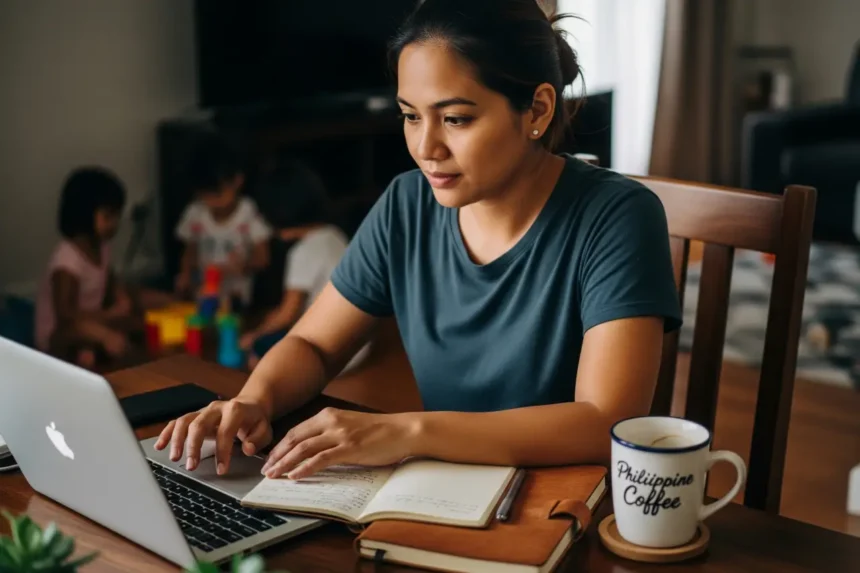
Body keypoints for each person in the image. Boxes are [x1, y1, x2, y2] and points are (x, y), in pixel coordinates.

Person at [156, 0, 682, 481]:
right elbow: (314, 344)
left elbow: (605, 421)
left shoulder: (616, 217)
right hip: (442, 484)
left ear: (538, 111)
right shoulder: (407, 205)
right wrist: (255, 400)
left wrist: (409, 433)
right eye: (411, 115)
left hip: (563, 498)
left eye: (455, 118)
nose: (426, 147)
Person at [239, 164, 371, 372]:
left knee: (258, 350)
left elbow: (288, 314)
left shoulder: (303, 252)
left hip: (330, 353)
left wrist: (254, 335)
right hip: (357, 347)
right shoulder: (334, 234)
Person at [35, 167, 133, 368]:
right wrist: (106, 323)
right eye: (108, 216)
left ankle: (92, 350)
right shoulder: (67, 261)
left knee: (132, 318)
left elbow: (110, 281)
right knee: (80, 331)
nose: (115, 223)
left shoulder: (102, 247)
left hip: (92, 320)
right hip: (61, 334)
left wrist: (121, 299)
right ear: (84, 215)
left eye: (117, 216)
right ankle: (90, 352)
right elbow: (65, 316)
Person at [174, 133, 273, 309]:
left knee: (227, 319)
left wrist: (242, 266)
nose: (213, 203)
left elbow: (263, 257)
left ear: (237, 181)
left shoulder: (248, 212)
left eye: (218, 195)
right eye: (205, 197)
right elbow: (190, 249)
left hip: (236, 294)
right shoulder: (195, 212)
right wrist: (185, 274)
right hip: (204, 291)